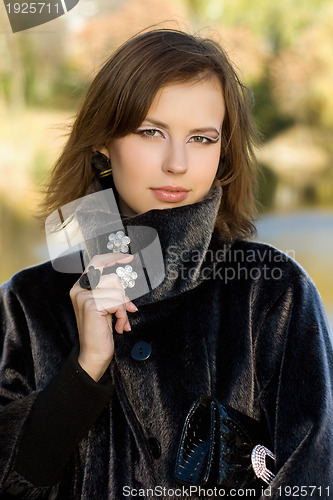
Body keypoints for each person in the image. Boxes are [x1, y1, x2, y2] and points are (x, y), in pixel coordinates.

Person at [0, 28, 332, 500]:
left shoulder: (274, 291)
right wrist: (83, 373)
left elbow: (315, 480)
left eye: (201, 138)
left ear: (223, 152)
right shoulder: (25, 305)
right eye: (150, 131)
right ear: (102, 142)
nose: (177, 163)